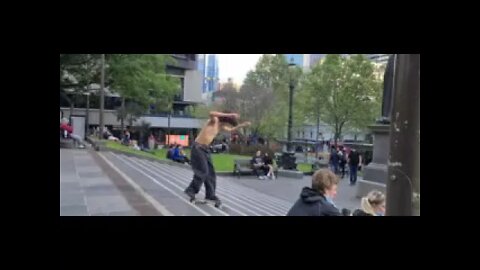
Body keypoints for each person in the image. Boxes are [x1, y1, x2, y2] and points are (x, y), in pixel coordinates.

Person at [184, 111, 251, 207]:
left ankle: (210, 195)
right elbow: (211, 113)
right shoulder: (214, 120)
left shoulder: (221, 126)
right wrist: (230, 115)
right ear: (225, 119)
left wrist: (242, 125)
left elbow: (231, 130)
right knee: (203, 171)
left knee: (211, 173)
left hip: (205, 150)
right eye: (227, 123)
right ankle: (191, 190)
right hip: (198, 148)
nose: (226, 125)